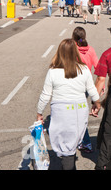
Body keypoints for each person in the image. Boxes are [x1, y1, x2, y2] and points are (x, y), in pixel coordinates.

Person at [36, 39, 101, 170]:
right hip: (80, 109)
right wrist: (97, 103)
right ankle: (69, 162)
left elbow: (45, 95)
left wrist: (39, 112)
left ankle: (68, 163)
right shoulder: (83, 69)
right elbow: (92, 89)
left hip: (61, 110)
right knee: (73, 142)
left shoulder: (53, 71)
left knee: (66, 146)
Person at [72, 27, 99, 153]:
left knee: (76, 115)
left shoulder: (73, 50)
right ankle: (82, 140)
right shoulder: (91, 49)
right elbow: (98, 67)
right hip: (86, 86)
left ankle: (86, 142)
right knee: (79, 114)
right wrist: (101, 86)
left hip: (74, 86)